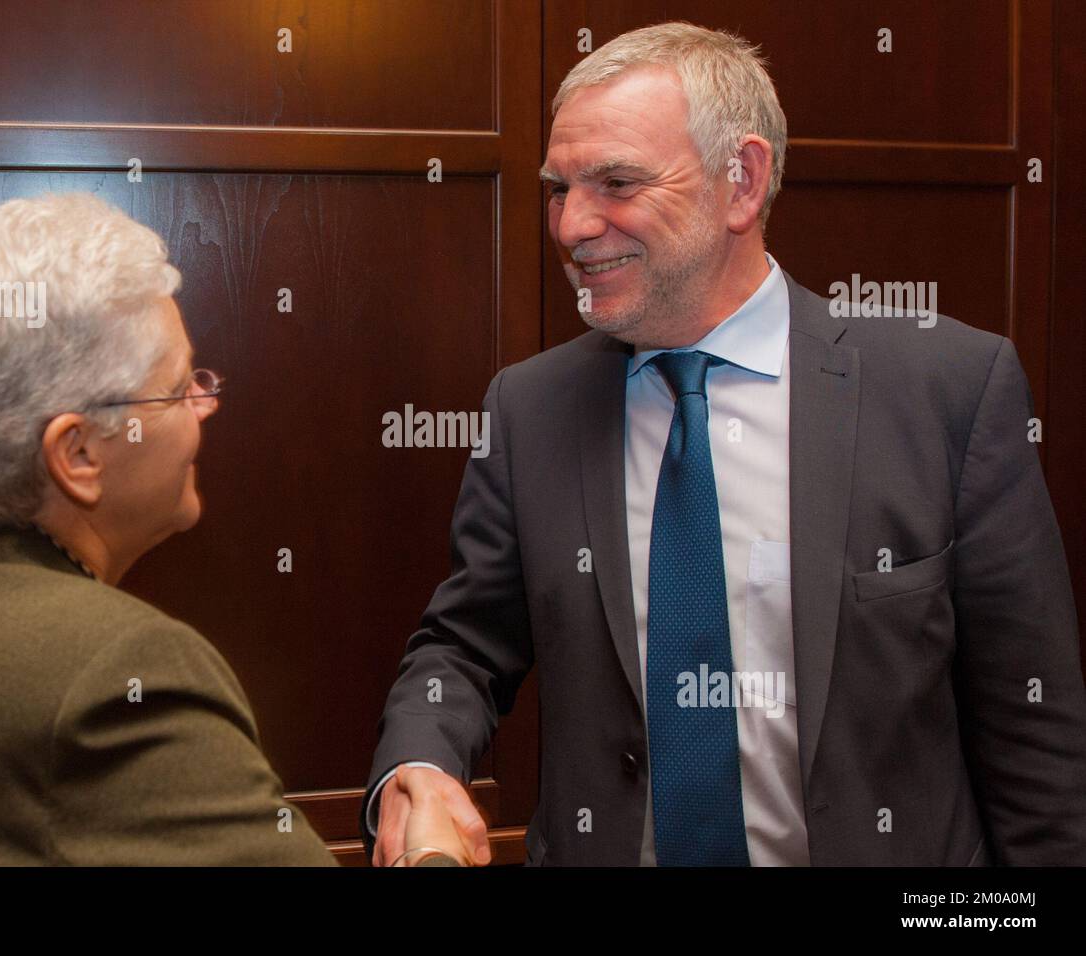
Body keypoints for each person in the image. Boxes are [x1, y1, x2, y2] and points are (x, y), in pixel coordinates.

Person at [364, 21, 1086, 866]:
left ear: (741, 181)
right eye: (560, 187)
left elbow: (1035, 740)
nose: (570, 225)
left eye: (617, 182)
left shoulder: (949, 390)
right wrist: (419, 764)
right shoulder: (532, 409)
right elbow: (464, 645)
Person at [0, 193, 461, 866]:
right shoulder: (115, 675)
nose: (207, 404)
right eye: (178, 388)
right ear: (78, 455)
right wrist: (436, 847)